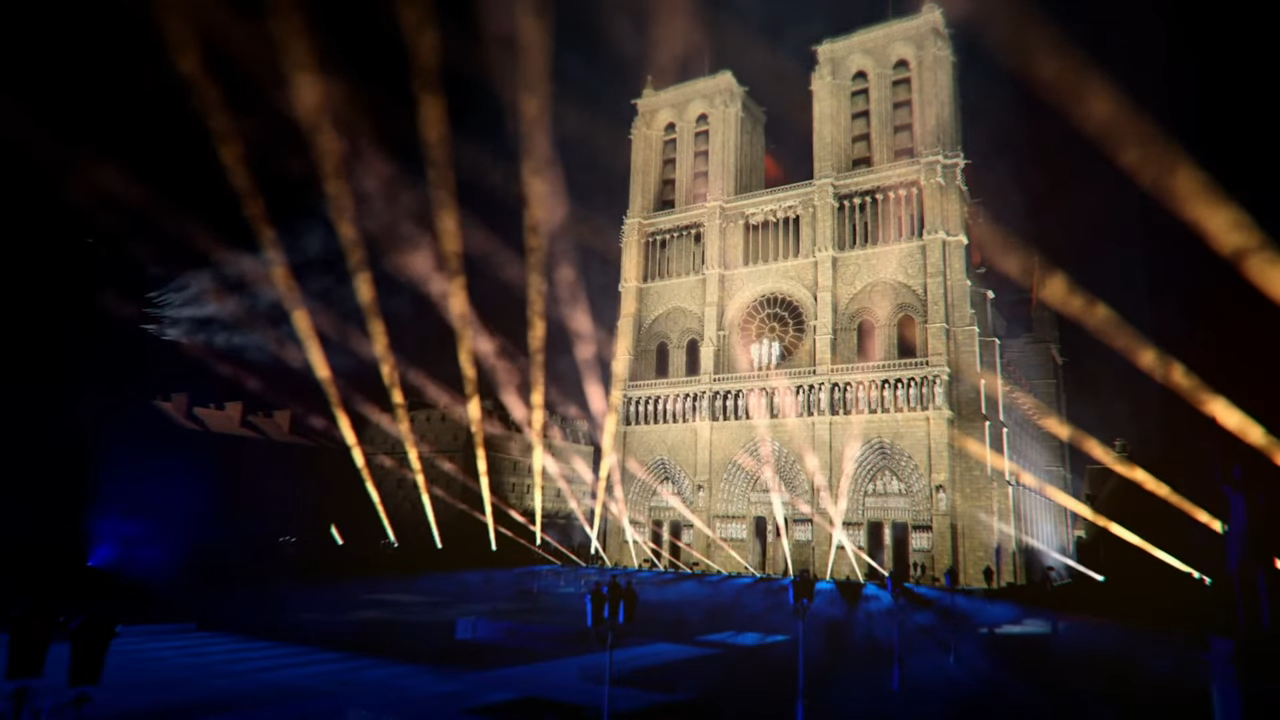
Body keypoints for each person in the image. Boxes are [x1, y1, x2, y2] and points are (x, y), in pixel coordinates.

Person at [5, 579, 63, 719]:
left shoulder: (28, 607)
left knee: (25, 660)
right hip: (33, 636)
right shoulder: (44, 610)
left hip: (27, 636)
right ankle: (23, 700)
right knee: (30, 660)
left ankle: (22, 701)